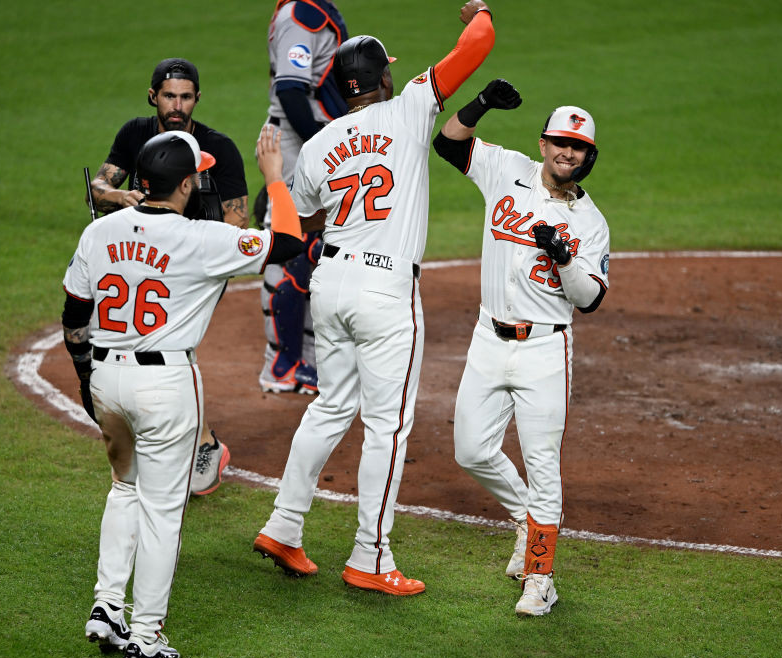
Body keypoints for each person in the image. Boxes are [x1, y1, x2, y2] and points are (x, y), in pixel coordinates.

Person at [252, 0, 496, 596]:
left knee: (331, 406)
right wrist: (480, 10)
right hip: (386, 290)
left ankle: (284, 526)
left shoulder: (317, 144)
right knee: (387, 424)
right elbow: (478, 43)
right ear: (384, 78)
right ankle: (370, 556)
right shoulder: (411, 106)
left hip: (330, 285)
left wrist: (276, 179)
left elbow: (298, 226)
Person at [65, 127, 305, 658]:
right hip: (165, 386)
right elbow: (285, 243)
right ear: (186, 183)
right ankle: (146, 638)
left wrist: (86, 382)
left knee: (124, 488)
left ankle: (106, 605)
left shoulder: (99, 233)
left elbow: (74, 314)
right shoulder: (201, 237)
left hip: (107, 377)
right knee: (162, 511)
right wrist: (272, 178)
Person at [432, 80, 610, 616]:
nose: (566, 152)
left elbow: (590, 300)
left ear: (588, 157)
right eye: (559, 141)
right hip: (488, 337)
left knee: (542, 465)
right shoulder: (505, 168)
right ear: (542, 143)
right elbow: (448, 144)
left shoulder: (591, 224)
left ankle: (541, 577)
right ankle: (523, 517)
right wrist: (480, 103)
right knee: (471, 450)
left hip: (544, 351)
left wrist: (565, 258)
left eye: (577, 147)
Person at [90, 57, 250, 496]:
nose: (176, 105)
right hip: (138, 259)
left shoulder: (220, 148)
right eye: (168, 96)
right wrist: (121, 197)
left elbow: (238, 221)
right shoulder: (133, 134)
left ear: (197, 98)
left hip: (191, 268)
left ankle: (203, 445)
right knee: (150, 350)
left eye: (185, 97)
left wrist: (189, 231)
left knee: (165, 349)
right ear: (152, 96)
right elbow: (99, 187)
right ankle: (185, 439)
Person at [257, 0, 348, 395]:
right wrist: (320, 147)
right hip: (299, 139)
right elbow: (292, 91)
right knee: (289, 246)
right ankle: (280, 363)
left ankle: (307, 361)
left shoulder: (312, 11)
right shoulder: (300, 15)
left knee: (315, 248)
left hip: (307, 138)